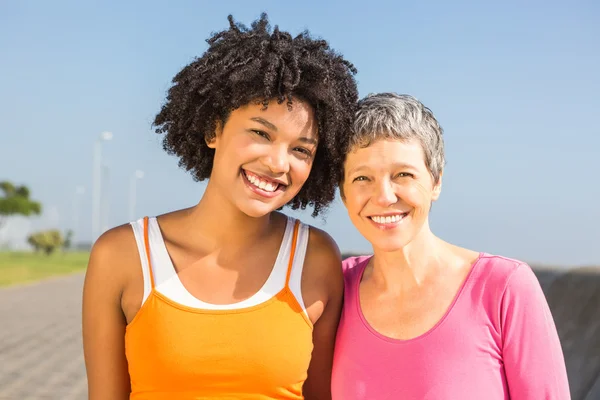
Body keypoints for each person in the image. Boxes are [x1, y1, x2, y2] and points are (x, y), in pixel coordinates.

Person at [82, 13, 358, 400]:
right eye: (261, 133)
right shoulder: (122, 256)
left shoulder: (315, 256)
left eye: (300, 149)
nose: (279, 164)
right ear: (214, 130)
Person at [331, 93, 570, 399]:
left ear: (436, 182)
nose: (384, 196)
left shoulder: (504, 287)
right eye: (362, 178)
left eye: (403, 174)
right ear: (343, 194)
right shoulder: (333, 290)